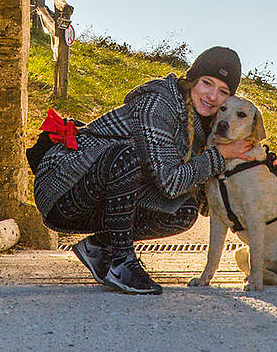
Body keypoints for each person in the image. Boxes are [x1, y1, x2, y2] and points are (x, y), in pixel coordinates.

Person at [33, 46, 254, 294]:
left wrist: (242, 168)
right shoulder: (158, 103)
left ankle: (99, 247)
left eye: (223, 91)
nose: (212, 96)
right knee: (127, 157)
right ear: (192, 80)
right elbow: (170, 182)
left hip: (98, 197)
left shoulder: (201, 128)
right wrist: (220, 156)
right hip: (64, 185)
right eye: (207, 83)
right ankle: (121, 262)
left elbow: (202, 203)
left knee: (184, 210)